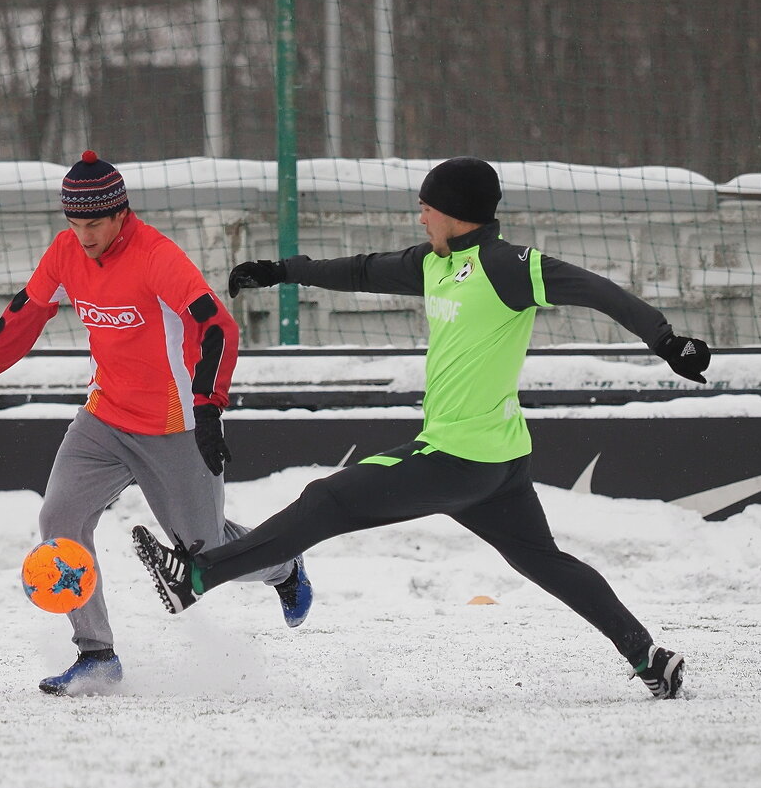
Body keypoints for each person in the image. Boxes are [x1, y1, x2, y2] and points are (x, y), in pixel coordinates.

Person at [133, 156, 710, 700]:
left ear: (456, 213)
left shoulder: (508, 267)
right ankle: (648, 659)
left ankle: (197, 579)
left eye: (427, 207)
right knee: (546, 562)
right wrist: (282, 271)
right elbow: (359, 271)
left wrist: (664, 340)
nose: (420, 216)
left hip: (460, 456)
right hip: (497, 461)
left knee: (328, 497)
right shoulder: (433, 263)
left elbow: (599, 291)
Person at [0, 151, 312, 696]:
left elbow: (217, 327)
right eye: (74, 222)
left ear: (121, 214)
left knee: (204, 551)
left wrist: (209, 405)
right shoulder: (67, 252)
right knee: (59, 519)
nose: (83, 236)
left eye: (93, 224)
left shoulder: (157, 256)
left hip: (177, 425)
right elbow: (21, 317)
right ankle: (96, 655)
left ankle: (283, 567)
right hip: (104, 418)